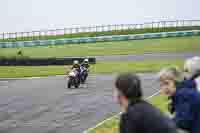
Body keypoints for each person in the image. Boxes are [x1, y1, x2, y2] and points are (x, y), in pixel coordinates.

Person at [158, 67, 200, 133]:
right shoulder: (186, 91)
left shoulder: (183, 94)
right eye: (161, 85)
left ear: (176, 81)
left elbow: (183, 123)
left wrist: (166, 120)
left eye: (167, 83)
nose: (164, 88)